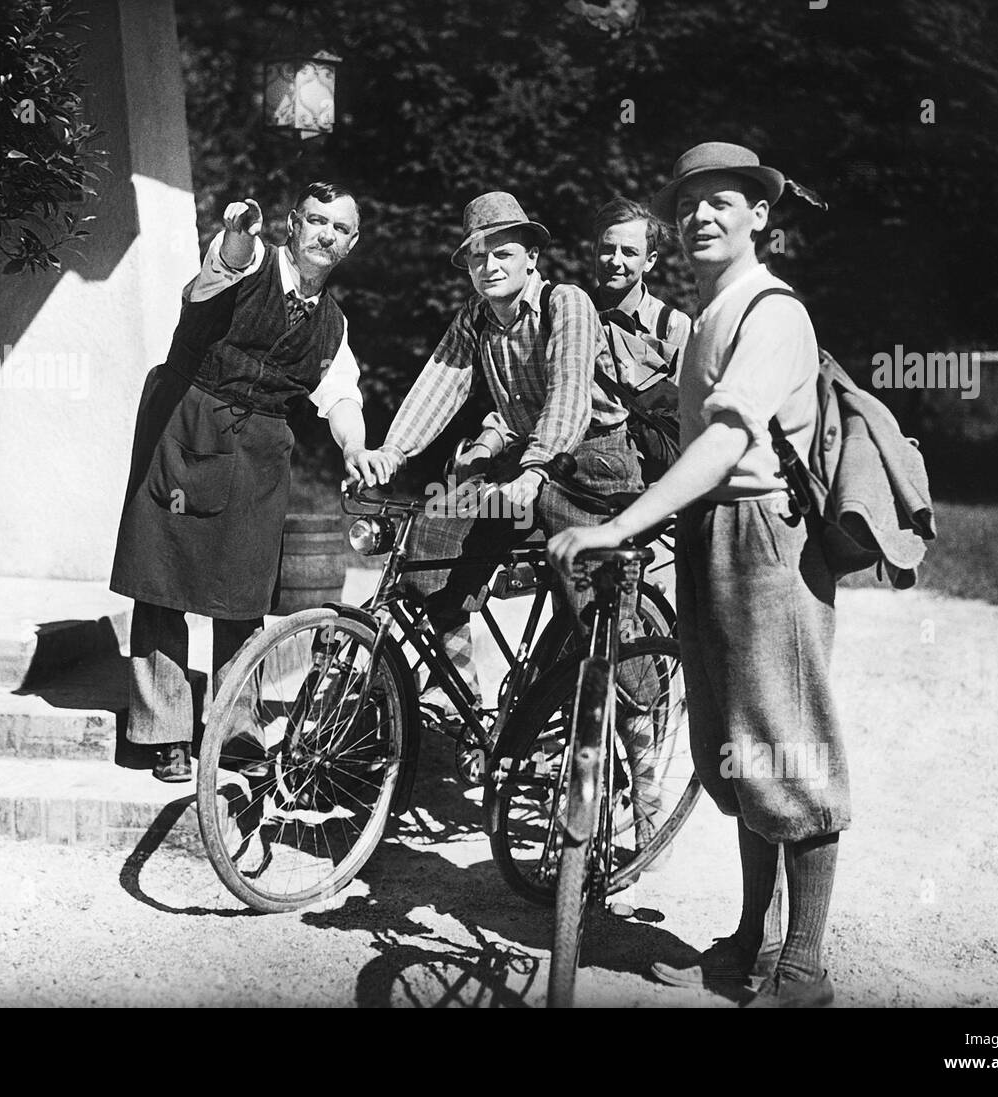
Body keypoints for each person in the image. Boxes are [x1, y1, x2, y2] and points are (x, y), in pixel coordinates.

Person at [548, 143, 849, 1008]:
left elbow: (724, 442)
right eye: (689, 206)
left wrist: (622, 525)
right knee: (738, 749)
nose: (703, 217)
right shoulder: (711, 311)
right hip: (710, 533)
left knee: (792, 745)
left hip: (765, 541)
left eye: (725, 201)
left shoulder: (771, 310)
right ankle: (751, 943)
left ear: (761, 216)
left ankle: (805, 966)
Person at [362, 192, 661, 839]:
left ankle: (644, 765)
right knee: (429, 543)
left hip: (595, 470)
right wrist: (392, 451)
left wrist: (533, 466)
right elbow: (440, 383)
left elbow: (568, 396)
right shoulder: (477, 318)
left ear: (531, 257)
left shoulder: (567, 304)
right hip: (528, 467)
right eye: (477, 255)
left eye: (503, 252)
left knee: (597, 610)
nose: (489, 264)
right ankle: (464, 701)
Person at [110, 182, 391, 782]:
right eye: (316, 220)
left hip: (260, 448)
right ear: (292, 224)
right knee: (164, 579)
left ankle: (235, 730)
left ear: (353, 243)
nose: (325, 235)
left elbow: (339, 396)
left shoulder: (333, 323)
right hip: (187, 420)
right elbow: (222, 266)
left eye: (339, 229)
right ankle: (165, 733)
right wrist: (238, 230)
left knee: (243, 591)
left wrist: (355, 447)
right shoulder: (254, 261)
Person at [592, 196, 691, 384]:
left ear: (650, 260)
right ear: (594, 251)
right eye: (607, 249)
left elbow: (682, 403)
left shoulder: (672, 326)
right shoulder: (573, 314)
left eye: (629, 252)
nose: (615, 261)